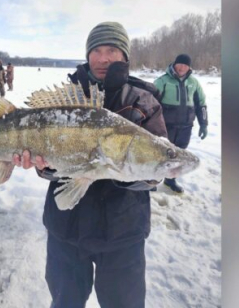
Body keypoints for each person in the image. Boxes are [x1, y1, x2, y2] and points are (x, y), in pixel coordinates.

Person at [13, 22, 168, 308]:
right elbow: (47, 166)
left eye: (111, 49)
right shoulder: (66, 98)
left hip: (123, 232)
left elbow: (156, 168)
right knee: (65, 301)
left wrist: (126, 172)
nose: (103, 57)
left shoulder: (143, 101)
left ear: (125, 56)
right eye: (96, 50)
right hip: (67, 229)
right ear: (88, 55)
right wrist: (42, 165)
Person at [153, 54, 208, 194]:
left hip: (185, 127)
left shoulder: (194, 82)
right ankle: (152, 180)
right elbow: (150, 103)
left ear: (189, 67)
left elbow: (201, 104)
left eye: (185, 64)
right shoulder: (163, 81)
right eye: (180, 64)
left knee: (178, 155)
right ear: (174, 64)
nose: (182, 67)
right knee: (159, 154)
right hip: (165, 127)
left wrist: (203, 124)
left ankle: (170, 181)